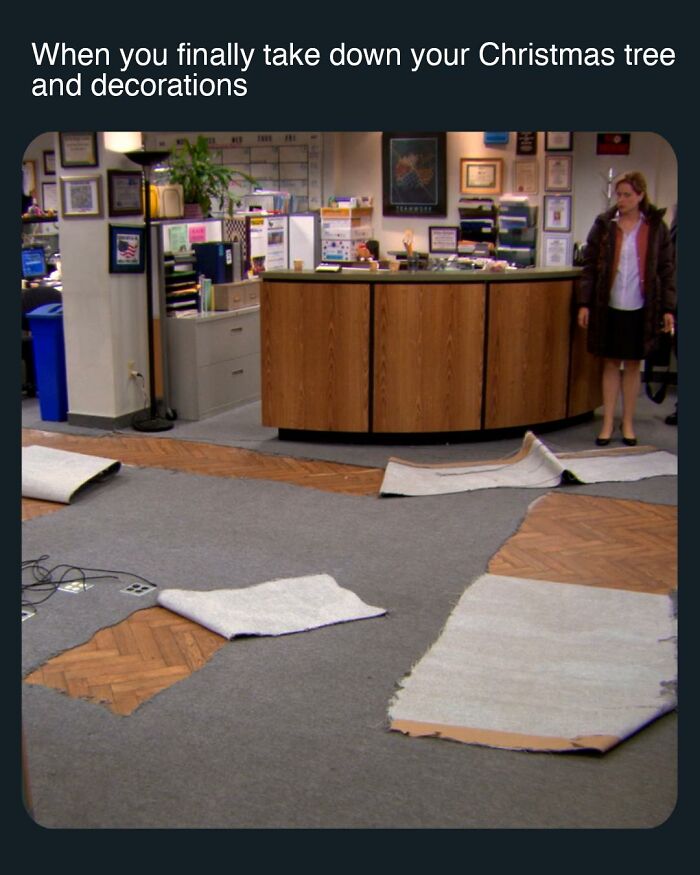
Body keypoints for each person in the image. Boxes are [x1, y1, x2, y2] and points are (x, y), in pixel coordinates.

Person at [577, 171, 676, 446]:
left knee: (633, 365)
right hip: (609, 305)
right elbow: (589, 266)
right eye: (618, 195)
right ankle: (608, 422)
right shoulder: (605, 224)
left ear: (641, 196)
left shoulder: (655, 227)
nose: (621, 200)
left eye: (627, 195)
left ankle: (628, 422)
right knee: (610, 363)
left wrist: (669, 308)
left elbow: (667, 269)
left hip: (641, 305)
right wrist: (584, 303)